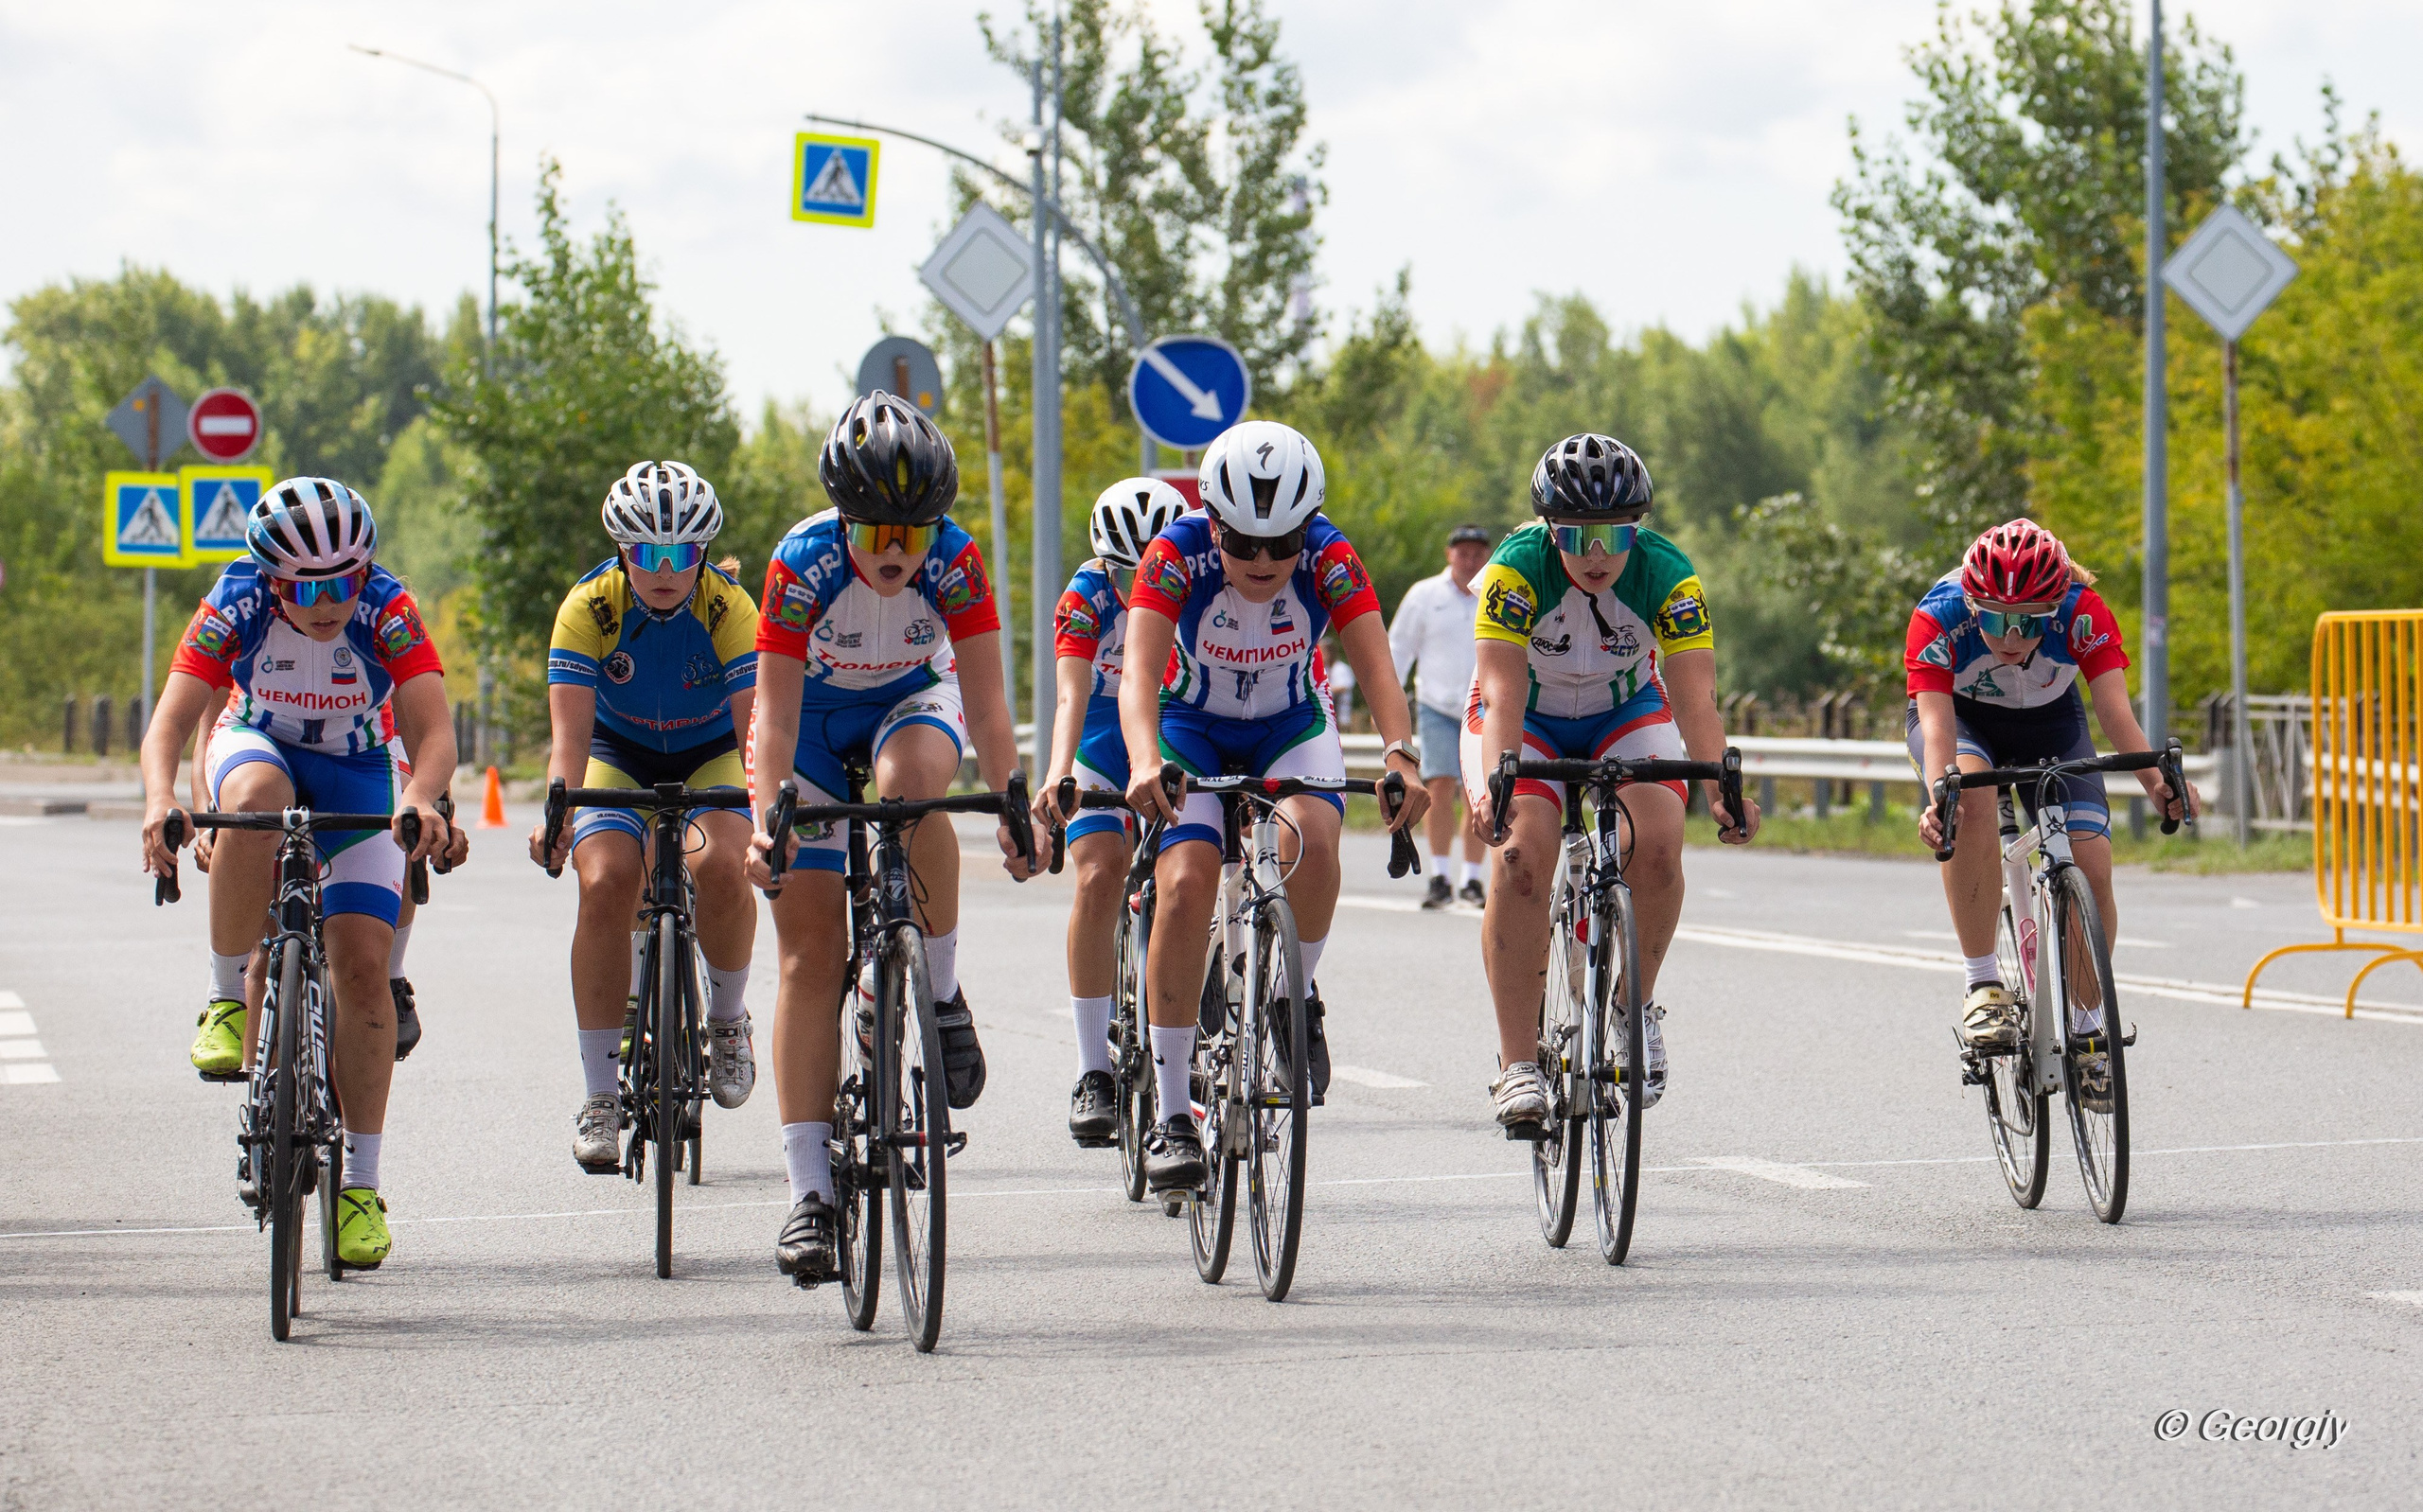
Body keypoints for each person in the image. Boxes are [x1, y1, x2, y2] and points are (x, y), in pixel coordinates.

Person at [746, 393, 1032, 1285]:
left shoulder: (956, 559)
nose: (896, 554)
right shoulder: (800, 564)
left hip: (911, 700)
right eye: (875, 537)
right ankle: (809, 1199)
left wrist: (1016, 801)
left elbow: (985, 703)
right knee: (807, 955)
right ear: (844, 520)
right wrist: (767, 825)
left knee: (915, 796)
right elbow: (777, 719)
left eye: (912, 535)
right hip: (816, 726)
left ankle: (940, 996)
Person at [138, 477, 456, 1270]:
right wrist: (160, 797)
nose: (326, 601)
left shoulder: (388, 606)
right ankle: (223, 1000)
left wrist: (421, 796)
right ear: (273, 580)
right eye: (305, 587)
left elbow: (433, 728)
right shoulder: (238, 597)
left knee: (361, 970)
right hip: (261, 747)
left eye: (342, 582)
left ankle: (361, 1189)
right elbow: (171, 722)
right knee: (255, 797)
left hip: (359, 771)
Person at [1120, 420, 1430, 1195]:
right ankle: (1170, 1115)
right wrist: (1144, 759)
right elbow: (1137, 677)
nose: (1263, 560)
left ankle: (1293, 997)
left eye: (1281, 542)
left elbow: (1378, 663)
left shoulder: (1331, 556)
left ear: (1308, 528)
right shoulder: (1175, 555)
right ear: (1213, 522)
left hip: (1291, 721)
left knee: (1317, 839)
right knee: (1187, 883)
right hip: (1190, 725)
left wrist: (1400, 754)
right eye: (1244, 543)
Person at [1466, 434, 1759, 1132]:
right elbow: (1501, 694)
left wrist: (1721, 786)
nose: (1598, 555)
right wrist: (1494, 790)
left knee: (1657, 845)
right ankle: (1517, 1066)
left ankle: (1633, 1007)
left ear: (1639, 528)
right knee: (1522, 859)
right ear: (1549, 529)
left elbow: (1695, 701)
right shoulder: (1514, 571)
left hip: (1625, 710)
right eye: (1577, 535)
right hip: (1526, 717)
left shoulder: (1668, 575)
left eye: (1616, 534)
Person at [529, 461, 762, 1173]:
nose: (665, 569)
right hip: (618, 749)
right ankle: (601, 1096)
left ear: (701, 554)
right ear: (622, 552)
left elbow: (756, 742)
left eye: (682, 554)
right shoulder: (589, 608)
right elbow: (568, 742)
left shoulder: (730, 610)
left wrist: (769, 814)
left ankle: (725, 1018)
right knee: (604, 885)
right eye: (647, 553)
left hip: (711, 750)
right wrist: (558, 809)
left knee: (722, 863)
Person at [1908, 519, 2194, 1068]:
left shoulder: (2083, 610)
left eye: (2030, 623)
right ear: (1972, 604)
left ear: (2056, 606)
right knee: (1971, 800)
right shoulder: (1938, 616)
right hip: (1964, 724)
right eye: (1996, 620)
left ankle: (2088, 1027)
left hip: (2051, 724)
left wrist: (2156, 780)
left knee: (2092, 860)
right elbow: (1938, 728)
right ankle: (1984, 984)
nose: (2011, 639)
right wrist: (1942, 800)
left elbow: (2114, 711)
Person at [1035, 477, 1193, 1147]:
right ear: (1106, 562)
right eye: (1128, 569)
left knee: (1197, 868)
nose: (1141, 580)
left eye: (1152, 565)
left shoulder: (1193, 582)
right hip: (1102, 732)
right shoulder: (1085, 597)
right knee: (1100, 874)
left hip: (1171, 727)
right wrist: (1057, 776)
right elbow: (1070, 698)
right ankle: (1092, 1070)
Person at [1388, 522, 1493, 908]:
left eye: (1478, 553)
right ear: (1450, 555)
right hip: (1436, 703)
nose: (1470, 560)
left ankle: (1471, 878)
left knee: (1478, 793)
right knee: (1439, 786)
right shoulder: (1425, 595)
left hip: (1482, 705)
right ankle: (1440, 874)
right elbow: (1398, 648)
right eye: (1462, 552)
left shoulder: (1493, 592)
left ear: (1487, 555)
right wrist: (1390, 701)